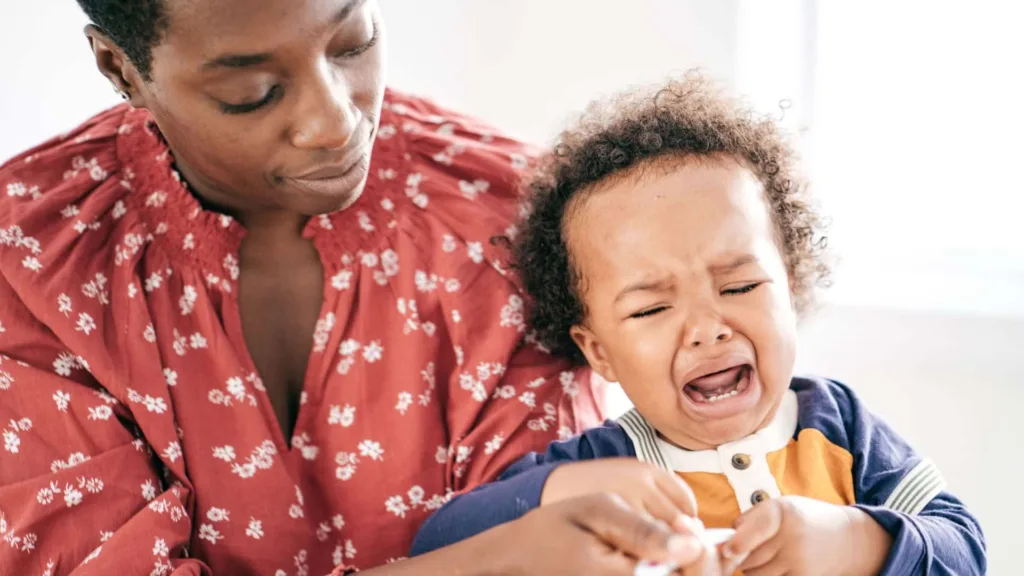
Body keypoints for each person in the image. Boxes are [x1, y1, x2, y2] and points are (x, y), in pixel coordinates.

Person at [0, 1, 724, 575]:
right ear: (120, 68)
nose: (333, 121)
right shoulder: (28, 259)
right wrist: (485, 563)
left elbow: (548, 515)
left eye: (352, 43)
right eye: (251, 92)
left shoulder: (507, 215)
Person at [410, 74, 987, 575]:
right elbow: (438, 542)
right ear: (599, 351)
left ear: (788, 284)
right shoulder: (603, 467)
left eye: (738, 287)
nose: (707, 328)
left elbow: (964, 549)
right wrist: (560, 492)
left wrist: (855, 542)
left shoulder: (840, 428)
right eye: (651, 309)